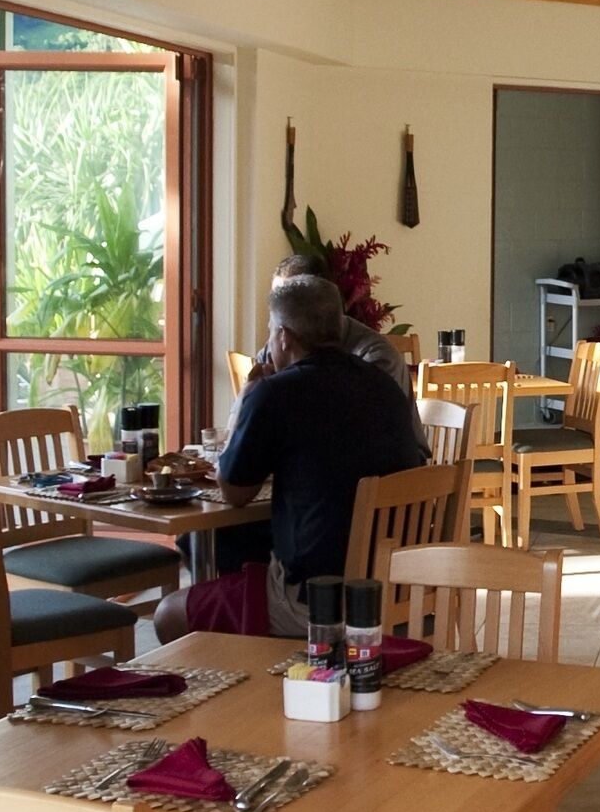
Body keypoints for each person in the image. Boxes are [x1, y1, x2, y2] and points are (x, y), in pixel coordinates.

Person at [159, 273, 426, 639]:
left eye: (270, 332)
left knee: (169, 614)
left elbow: (234, 492)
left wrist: (245, 400)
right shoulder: (382, 384)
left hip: (318, 596)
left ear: (283, 336)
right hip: (392, 581)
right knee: (233, 546)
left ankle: (241, 676)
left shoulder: (273, 393)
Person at [267, 250, 409, 383]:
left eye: (286, 300)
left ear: (323, 297)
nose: (276, 310)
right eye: (275, 300)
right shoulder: (275, 346)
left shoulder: (377, 357)